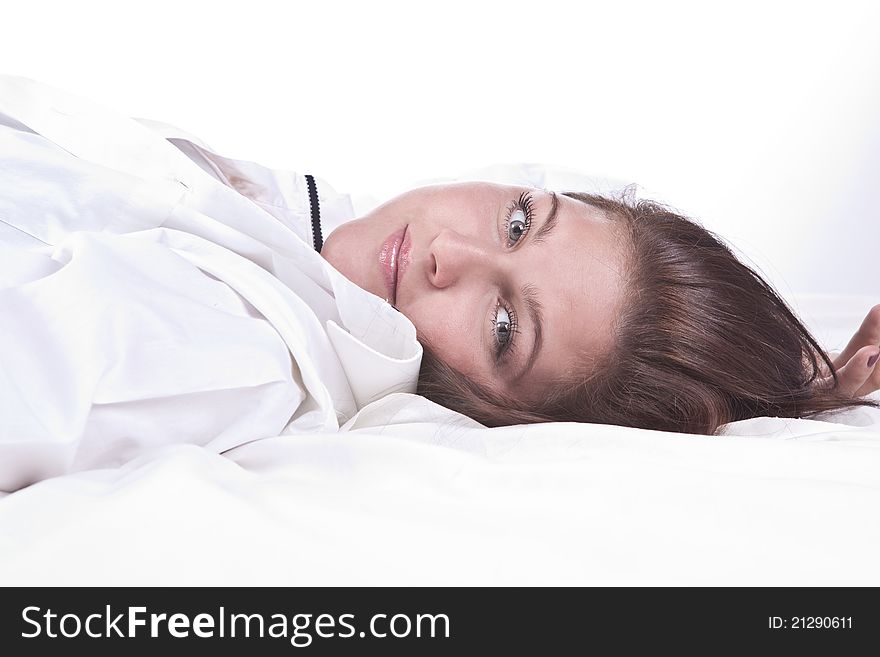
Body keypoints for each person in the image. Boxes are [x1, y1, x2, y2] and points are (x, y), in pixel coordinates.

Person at [0, 76, 877, 490]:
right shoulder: (319, 232)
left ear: (503, 414)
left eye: (502, 327)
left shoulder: (227, 345)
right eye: (521, 220)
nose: (446, 255)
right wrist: (796, 379)